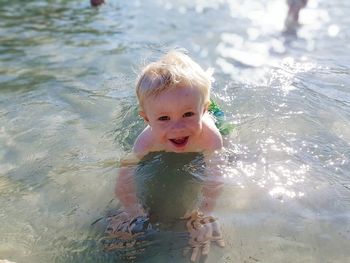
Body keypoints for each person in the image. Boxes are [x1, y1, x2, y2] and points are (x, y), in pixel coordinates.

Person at [111, 50, 226, 261]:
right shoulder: (146, 141)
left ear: (202, 111)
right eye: (164, 118)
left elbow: (216, 178)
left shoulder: (210, 138)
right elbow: (125, 173)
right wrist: (131, 211)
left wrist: (205, 212)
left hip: (214, 115)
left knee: (229, 133)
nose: (178, 127)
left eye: (188, 114)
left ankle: (205, 99)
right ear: (146, 119)